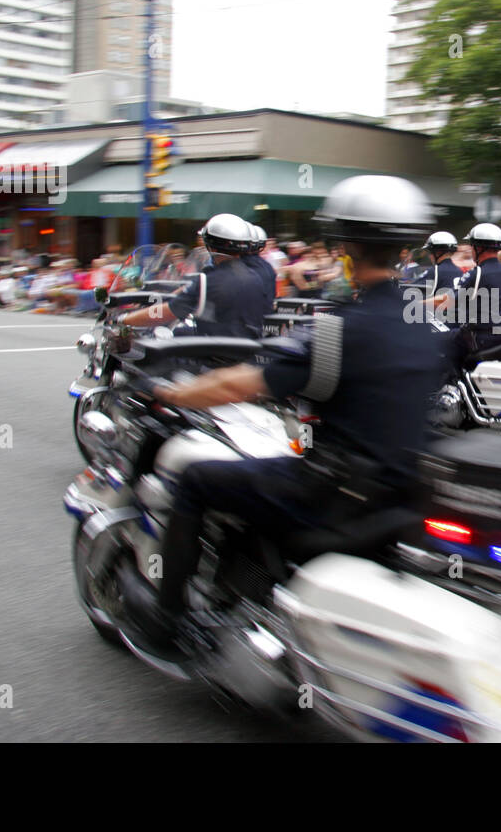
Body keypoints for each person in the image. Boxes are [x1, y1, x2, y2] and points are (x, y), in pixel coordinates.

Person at [119, 175, 445, 653]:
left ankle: (167, 622)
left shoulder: (339, 327)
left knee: (197, 481)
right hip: (402, 492)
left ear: (347, 248)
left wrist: (174, 394)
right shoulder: (423, 323)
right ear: (404, 250)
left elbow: (240, 383)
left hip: (332, 490)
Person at [118, 214, 268, 339]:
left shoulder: (209, 280)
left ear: (210, 245)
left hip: (216, 355)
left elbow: (167, 312)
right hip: (247, 349)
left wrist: (125, 319)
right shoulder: (254, 276)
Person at [438, 223, 501, 359]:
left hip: (479, 338)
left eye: (471, 245)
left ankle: (450, 378)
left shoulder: (477, 273)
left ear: (478, 247)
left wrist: (419, 303)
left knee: (434, 340)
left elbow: (449, 301)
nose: (471, 250)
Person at [409, 231, 463, 298]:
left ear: (438, 252)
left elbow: (411, 288)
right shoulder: (459, 271)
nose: (429, 256)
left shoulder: (435, 270)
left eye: (430, 252)